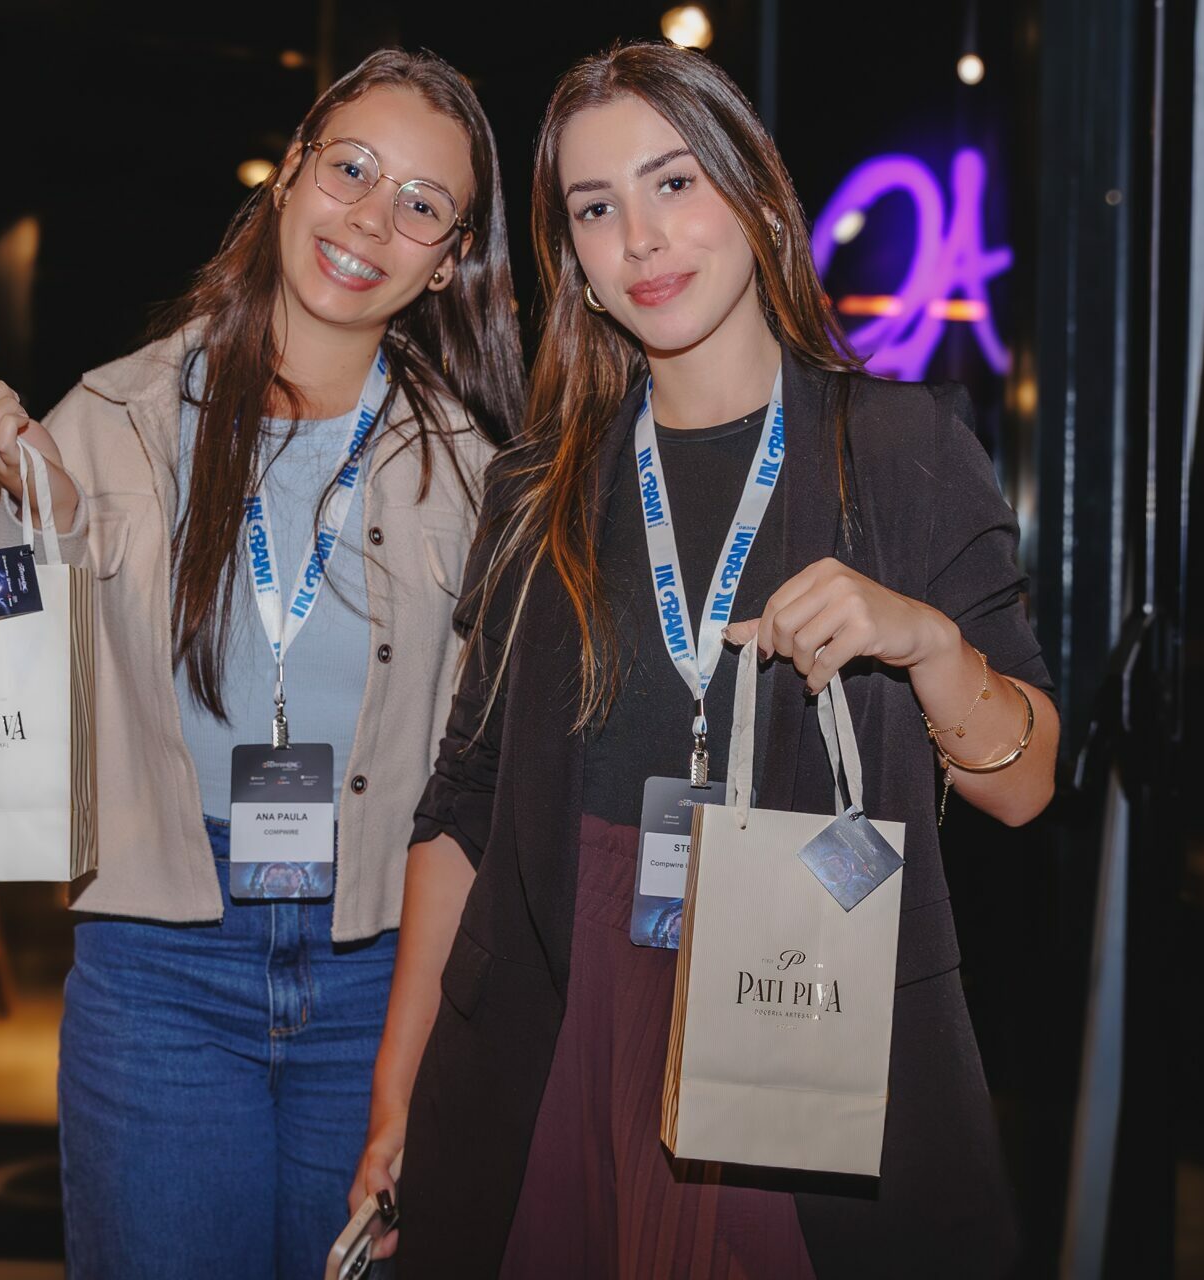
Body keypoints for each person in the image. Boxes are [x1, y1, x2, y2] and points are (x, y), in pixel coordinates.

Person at [356, 41, 1062, 1278]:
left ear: (755, 195)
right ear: (574, 261)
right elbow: (462, 801)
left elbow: (1027, 784)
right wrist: (396, 1089)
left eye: (674, 182)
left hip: (799, 1005)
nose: (641, 237)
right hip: (556, 1020)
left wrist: (929, 642)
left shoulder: (901, 447)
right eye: (596, 208)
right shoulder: (537, 487)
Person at [0, 49, 523, 1279]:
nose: (372, 218)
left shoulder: (475, 473)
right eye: (351, 168)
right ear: (290, 170)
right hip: (160, 960)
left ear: (449, 258)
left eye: (422, 203)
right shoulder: (113, 417)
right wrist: (21, 513)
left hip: (382, 963)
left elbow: (488, 774)